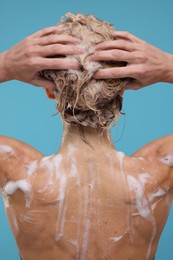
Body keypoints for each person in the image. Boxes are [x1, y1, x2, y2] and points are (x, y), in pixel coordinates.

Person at [0, 13, 173, 260]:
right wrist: (168, 66)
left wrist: (5, 64)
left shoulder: (14, 167)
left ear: (50, 92)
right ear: (121, 89)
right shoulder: (159, 169)